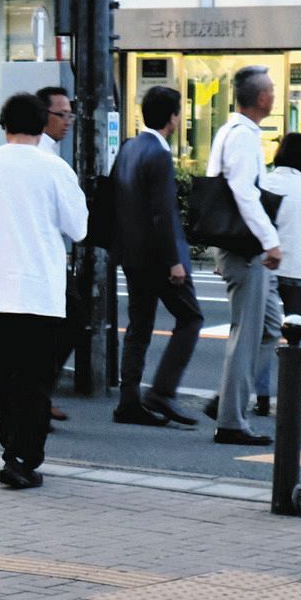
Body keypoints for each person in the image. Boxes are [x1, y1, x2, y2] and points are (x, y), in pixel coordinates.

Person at [0, 92, 88, 489]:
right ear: (42, 123)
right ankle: (24, 457)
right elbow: (79, 228)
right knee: (36, 380)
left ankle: (11, 451)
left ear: (3, 125)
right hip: (43, 291)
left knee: (7, 378)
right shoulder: (54, 168)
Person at [111, 85, 204, 427]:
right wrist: (174, 261)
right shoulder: (160, 154)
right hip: (158, 258)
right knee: (191, 318)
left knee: (138, 328)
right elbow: (162, 213)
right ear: (173, 117)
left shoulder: (129, 147)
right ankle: (162, 391)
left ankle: (128, 399)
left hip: (132, 256)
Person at [205, 64, 283, 446]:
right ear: (263, 98)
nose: (274, 94)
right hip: (245, 248)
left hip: (244, 247)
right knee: (246, 332)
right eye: (272, 89)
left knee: (270, 326)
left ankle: (227, 396)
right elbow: (244, 192)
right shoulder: (241, 136)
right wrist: (270, 239)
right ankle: (231, 420)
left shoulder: (234, 132)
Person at [255, 132, 301, 393]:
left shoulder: (264, 183)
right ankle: (292, 387)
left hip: (267, 266)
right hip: (300, 267)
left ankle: (261, 394)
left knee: (264, 333)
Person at [35, 85, 77, 424]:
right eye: (60, 115)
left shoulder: (52, 154)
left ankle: (40, 395)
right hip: (44, 261)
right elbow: (77, 225)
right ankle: (38, 397)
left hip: (45, 259)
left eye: (69, 114)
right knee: (66, 322)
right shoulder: (46, 158)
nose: (67, 121)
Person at [37, 85, 73, 156]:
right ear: (43, 114)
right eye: (62, 115)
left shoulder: (48, 149)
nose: (67, 123)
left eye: (70, 116)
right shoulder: (39, 152)